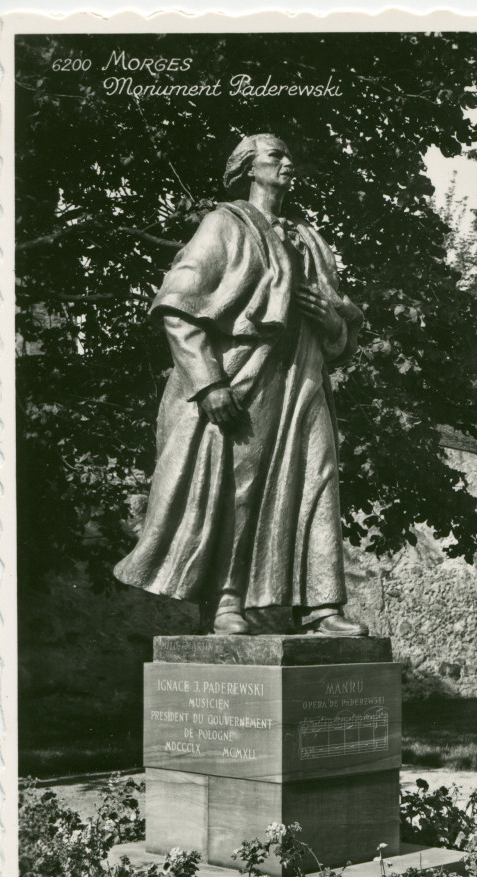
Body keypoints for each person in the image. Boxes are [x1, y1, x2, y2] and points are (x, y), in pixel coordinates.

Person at [114, 134, 368, 637]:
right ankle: (226, 601)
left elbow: (343, 335)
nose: (288, 162)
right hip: (247, 374)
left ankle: (323, 607)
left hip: (305, 376)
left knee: (318, 482)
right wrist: (208, 382)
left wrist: (333, 322)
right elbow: (177, 308)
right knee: (239, 486)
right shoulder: (225, 224)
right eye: (276, 155)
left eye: (289, 155)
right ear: (249, 167)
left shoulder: (309, 238)